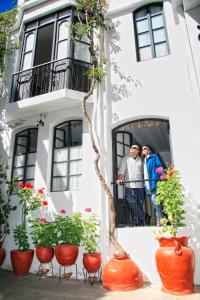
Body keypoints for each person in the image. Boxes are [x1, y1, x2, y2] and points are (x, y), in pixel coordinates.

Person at [116, 144, 145, 225]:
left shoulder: (140, 159)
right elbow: (122, 170)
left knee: (139, 204)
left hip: (140, 186)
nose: (132, 149)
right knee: (131, 202)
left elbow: (143, 172)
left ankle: (138, 222)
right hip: (129, 186)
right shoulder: (126, 158)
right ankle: (144, 216)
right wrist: (119, 179)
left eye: (134, 148)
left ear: (138, 151)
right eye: (131, 147)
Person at [142, 145, 164, 226]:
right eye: (142, 149)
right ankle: (162, 219)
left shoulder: (154, 157)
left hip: (154, 183)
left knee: (156, 203)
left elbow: (159, 166)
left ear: (149, 150)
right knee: (155, 204)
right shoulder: (144, 160)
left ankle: (160, 221)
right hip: (148, 185)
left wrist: (163, 176)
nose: (143, 150)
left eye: (145, 148)